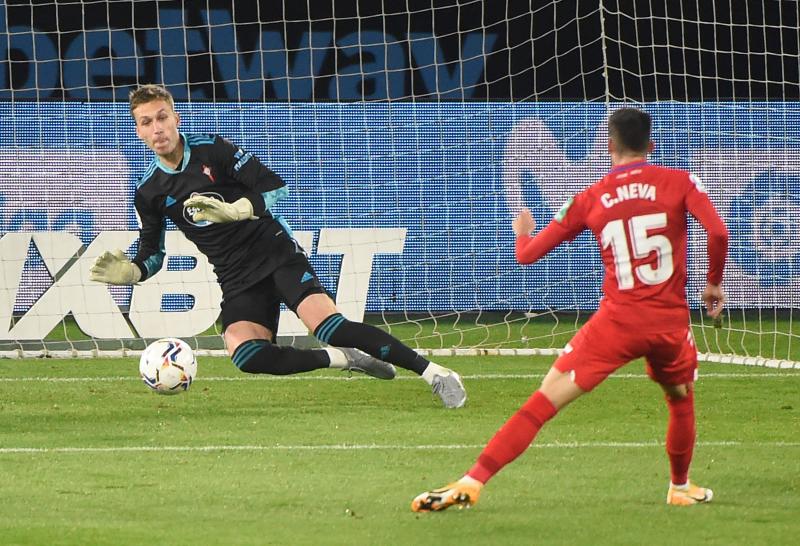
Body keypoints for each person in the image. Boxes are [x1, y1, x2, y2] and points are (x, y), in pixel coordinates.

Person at [411, 107, 729, 510]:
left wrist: (522, 232)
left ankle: (473, 480)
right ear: (650, 145)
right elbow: (718, 232)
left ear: (609, 146)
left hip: (616, 322)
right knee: (680, 398)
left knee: (544, 401)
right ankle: (680, 487)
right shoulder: (680, 181)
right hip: (668, 324)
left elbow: (528, 256)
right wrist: (713, 283)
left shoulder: (590, 197)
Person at [89, 84, 466, 409]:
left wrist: (236, 211)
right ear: (138, 132)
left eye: (162, 117)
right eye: (146, 122)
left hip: (274, 253)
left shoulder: (213, 150)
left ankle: (434, 373)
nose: (157, 128)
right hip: (235, 277)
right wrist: (134, 272)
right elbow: (152, 253)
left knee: (331, 325)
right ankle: (342, 359)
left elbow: (275, 187)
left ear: (176, 119)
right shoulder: (148, 191)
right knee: (248, 355)